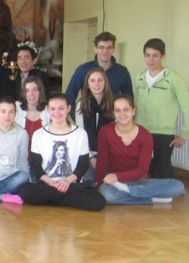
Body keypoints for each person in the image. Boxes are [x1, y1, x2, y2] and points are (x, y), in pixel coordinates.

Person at [16, 93, 107, 211]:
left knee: (99, 202)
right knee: (23, 191)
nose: (57, 113)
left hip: (71, 183)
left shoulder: (80, 134)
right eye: (52, 109)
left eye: (61, 108)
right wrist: (51, 183)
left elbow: (83, 164)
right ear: (48, 110)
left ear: (68, 108)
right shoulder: (39, 134)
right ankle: (69, 194)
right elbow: (35, 165)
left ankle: (53, 198)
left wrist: (67, 181)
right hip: (47, 185)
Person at [96, 95, 185, 205]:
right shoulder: (105, 131)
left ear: (133, 111)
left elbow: (142, 170)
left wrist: (117, 176)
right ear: (113, 113)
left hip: (139, 181)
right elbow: (101, 162)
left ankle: (129, 191)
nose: (122, 114)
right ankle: (152, 199)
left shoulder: (145, 135)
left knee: (178, 186)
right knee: (107, 194)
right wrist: (98, 187)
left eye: (126, 109)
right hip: (115, 182)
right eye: (117, 110)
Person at [135, 38, 189, 179]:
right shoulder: (139, 78)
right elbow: (134, 106)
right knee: (139, 170)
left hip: (163, 134)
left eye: (155, 55)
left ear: (162, 56)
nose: (151, 60)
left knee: (162, 172)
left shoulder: (174, 78)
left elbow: (187, 107)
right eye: (147, 55)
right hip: (141, 131)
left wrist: (184, 135)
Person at [65, 32, 133, 117]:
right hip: (88, 119)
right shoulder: (83, 70)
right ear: (95, 49)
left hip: (112, 120)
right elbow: (69, 96)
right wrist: (77, 117)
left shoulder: (122, 71)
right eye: (101, 47)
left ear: (113, 49)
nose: (105, 51)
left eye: (109, 48)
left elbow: (129, 99)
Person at [75, 68, 114, 181]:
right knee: (88, 182)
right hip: (87, 154)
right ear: (87, 84)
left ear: (105, 83)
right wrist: (91, 158)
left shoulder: (113, 104)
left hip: (108, 154)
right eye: (92, 81)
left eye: (100, 80)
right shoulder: (81, 105)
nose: (96, 84)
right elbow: (80, 136)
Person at [14, 76, 50, 159]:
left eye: (35, 90)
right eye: (27, 90)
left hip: (41, 160)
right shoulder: (16, 108)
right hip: (19, 159)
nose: (31, 94)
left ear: (40, 91)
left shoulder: (49, 110)